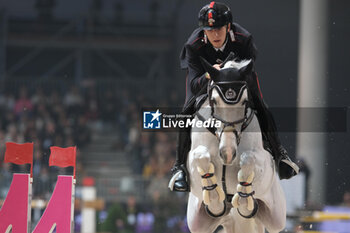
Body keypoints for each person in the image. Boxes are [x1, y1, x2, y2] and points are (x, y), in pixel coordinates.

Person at [169, 1, 299, 192]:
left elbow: (248, 70)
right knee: (187, 109)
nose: (214, 35)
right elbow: (195, 84)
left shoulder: (243, 39)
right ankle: (179, 167)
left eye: (219, 29)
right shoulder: (193, 46)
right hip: (206, 80)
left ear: (228, 27)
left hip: (239, 78)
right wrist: (211, 74)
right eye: (209, 30)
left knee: (260, 104)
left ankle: (281, 156)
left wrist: (227, 72)